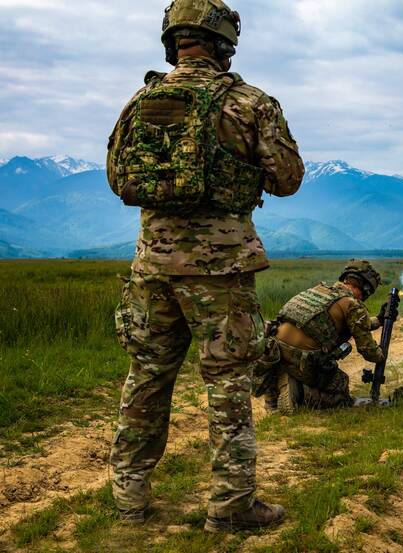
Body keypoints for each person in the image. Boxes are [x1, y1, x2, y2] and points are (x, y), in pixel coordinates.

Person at [105, 0, 304, 532]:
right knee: (227, 381)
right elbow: (287, 178)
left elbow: (115, 176)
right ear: (224, 42)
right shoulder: (250, 103)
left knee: (146, 374)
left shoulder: (140, 102)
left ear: (173, 42)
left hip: (151, 266)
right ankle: (232, 505)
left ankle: (129, 497)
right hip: (220, 271)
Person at [255, 261, 386, 415]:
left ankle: (272, 400)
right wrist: (381, 355)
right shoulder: (353, 305)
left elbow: (350, 322)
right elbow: (368, 351)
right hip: (301, 361)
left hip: (272, 354)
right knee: (340, 387)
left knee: (283, 356)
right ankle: (298, 394)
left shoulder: (319, 290)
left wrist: (379, 320)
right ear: (365, 288)